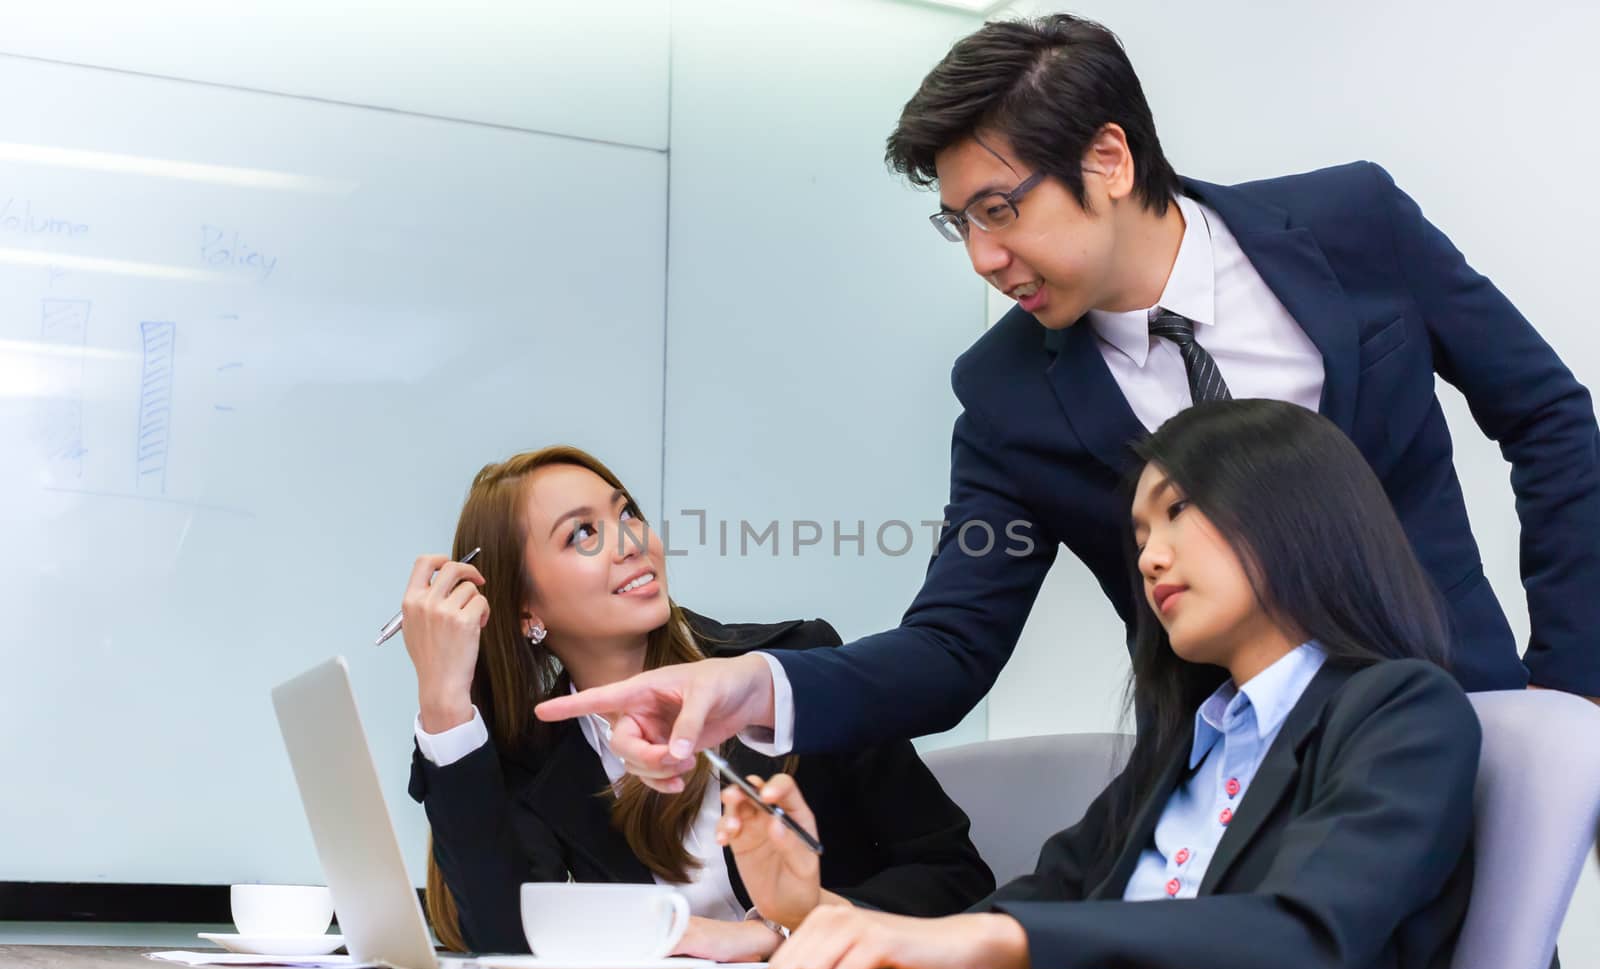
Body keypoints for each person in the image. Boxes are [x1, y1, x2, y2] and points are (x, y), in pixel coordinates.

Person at [533, 13, 1599, 784]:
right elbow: (950, 647)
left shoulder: (1351, 223)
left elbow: (1551, 420)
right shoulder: (1008, 398)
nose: (985, 258)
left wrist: (1566, 700)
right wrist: (753, 684)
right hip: (1239, 805)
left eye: (1001, 209)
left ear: (1107, 156)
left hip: (1466, 740)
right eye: (960, 224)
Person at [718, 400, 1479, 969]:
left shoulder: (1402, 708)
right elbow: (1035, 902)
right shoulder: (1187, 745)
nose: (1148, 555)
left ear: (1294, 510)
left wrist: (998, 944)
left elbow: (1309, 931)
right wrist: (815, 912)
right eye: (1140, 530)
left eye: (1178, 510)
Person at [400, 446, 993, 958]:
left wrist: (777, 931)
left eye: (626, 512)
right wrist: (445, 704)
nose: (631, 542)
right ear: (528, 610)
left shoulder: (793, 671)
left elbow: (957, 881)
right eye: (582, 533)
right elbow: (506, 940)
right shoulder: (533, 757)